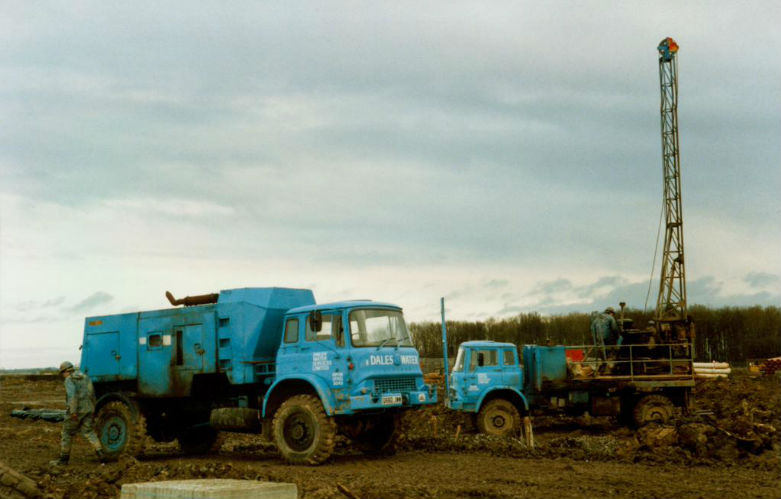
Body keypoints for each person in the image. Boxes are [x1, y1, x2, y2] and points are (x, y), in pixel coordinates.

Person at [49, 361, 107, 465]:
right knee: (88, 431)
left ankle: (64, 459)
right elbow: (92, 394)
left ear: (66, 371)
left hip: (77, 411)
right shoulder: (85, 377)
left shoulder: (69, 380)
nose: (63, 375)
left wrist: (73, 412)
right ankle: (100, 453)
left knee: (67, 432)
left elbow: (72, 396)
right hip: (89, 408)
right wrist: (93, 409)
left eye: (62, 373)